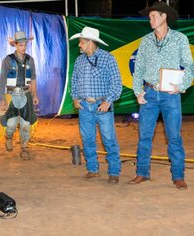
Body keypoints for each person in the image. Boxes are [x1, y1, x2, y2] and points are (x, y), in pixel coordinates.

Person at [129, 1, 194, 189]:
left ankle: (178, 175)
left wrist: (180, 86)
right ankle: (142, 173)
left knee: (174, 136)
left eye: (153, 16)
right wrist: (138, 91)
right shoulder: (146, 41)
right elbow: (138, 68)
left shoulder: (180, 39)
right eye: (149, 17)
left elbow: (189, 66)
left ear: (164, 16)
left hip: (170, 95)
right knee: (144, 136)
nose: (150, 20)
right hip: (149, 93)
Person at [70, 26, 122, 184]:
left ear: (90, 42)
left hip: (102, 105)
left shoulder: (108, 58)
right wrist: (75, 98)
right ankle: (93, 169)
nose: (79, 45)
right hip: (85, 106)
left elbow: (117, 83)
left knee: (109, 139)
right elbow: (74, 81)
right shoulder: (79, 60)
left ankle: (114, 171)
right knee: (88, 140)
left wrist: (108, 101)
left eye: (81, 42)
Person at [0, 31, 39, 160]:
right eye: (20, 45)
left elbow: (33, 79)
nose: (23, 47)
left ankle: (24, 147)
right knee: (11, 124)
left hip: (26, 95)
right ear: (15, 45)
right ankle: (8, 137)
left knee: (26, 124)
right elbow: (2, 80)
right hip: (11, 95)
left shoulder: (30, 60)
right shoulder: (8, 60)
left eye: (25, 45)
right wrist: (2, 99)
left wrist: (35, 95)